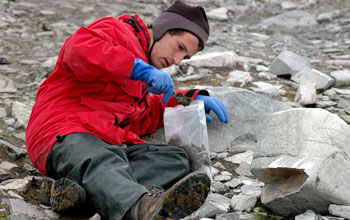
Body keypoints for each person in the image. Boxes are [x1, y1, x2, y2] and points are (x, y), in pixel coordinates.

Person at [26, 0, 229, 219]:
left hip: (106, 142)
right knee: (101, 158)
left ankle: (83, 199)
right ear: (164, 29)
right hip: (63, 131)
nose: (177, 61)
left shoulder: (146, 77)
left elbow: (145, 115)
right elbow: (78, 51)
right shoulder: (118, 31)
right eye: (180, 47)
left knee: (176, 160)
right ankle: (141, 208)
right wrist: (136, 68)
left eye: (185, 57)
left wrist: (190, 100)